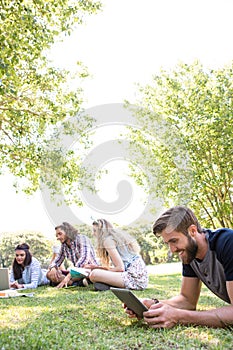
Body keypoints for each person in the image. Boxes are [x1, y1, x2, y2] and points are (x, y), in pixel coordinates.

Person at [125, 206, 233, 328]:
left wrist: (179, 316)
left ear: (192, 231)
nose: (172, 250)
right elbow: (187, 301)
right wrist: (152, 304)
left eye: (174, 241)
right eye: (168, 243)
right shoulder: (189, 253)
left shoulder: (228, 242)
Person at [85, 219, 148, 291]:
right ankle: (108, 284)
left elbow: (120, 268)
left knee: (94, 274)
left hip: (133, 278)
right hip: (140, 278)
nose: (93, 234)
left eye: (95, 230)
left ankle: (106, 284)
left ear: (101, 231)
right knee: (96, 272)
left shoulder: (107, 241)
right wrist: (100, 268)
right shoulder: (114, 238)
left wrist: (100, 272)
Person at [46, 222, 98, 288]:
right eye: (57, 235)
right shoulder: (64, 246)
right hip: (75, 272)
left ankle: (73, 282)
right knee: (49, 274)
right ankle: (77, 283)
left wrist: (68, 276)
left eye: (60, 234)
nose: (58, 237)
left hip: (88, 269)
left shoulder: (82, 239)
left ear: (68, 232)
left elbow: (84, 259)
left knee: (77, 273)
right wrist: (53, 268)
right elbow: (57, 260)